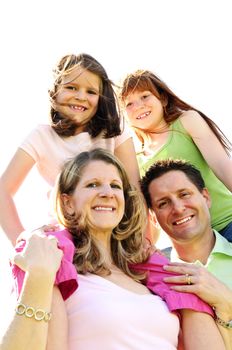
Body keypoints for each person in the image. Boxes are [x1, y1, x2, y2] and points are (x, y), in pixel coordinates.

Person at [0, 149, 226, 350]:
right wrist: (38, 276)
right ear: (68, 202)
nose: (108, 193)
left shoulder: (156, 275)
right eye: (93, 184)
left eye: (115, 185)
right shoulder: (51, 260)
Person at [0, 53, 140, 246]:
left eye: (91, 92)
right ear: (55, 92)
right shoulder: (42, 136)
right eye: (71, 87)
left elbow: (134, 188)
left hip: (112, 233)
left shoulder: (114, 131)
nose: (81, 97)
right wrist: (20, 238)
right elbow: (3, 190)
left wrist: (142, 239)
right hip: (66, 235)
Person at [119, 69, 232, 241]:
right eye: (129, 104)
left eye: (145, 96)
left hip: (227, 223)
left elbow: (223, 167)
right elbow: (149, 214)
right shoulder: (136, 158)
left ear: (162, 99)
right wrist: (147, 246)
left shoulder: (186, 122)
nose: (139, 106)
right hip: (191, 244)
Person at [140, 158, 232, 348]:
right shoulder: (155, 285)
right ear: (154, 219)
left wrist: (226, 305)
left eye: (184, 194)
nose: (178, 208)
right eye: (163, 203)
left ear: (206, 197)